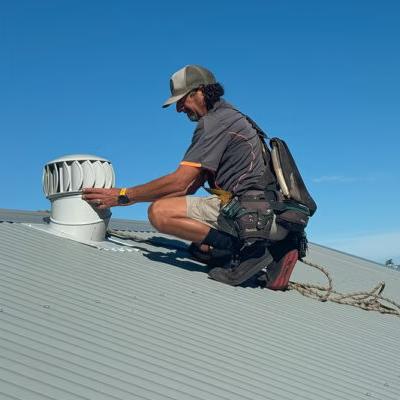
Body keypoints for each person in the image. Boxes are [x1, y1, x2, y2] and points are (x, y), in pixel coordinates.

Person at [82, 65, 298, 287]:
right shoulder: (233, 117)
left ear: (201, 91)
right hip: (269, 216)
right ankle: (275, 249)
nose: (179, 108)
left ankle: (250, 251)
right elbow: (188, 188)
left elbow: (180, 181)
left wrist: (124, 196)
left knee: (159, 213)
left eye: (182, 99)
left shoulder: (214, 122)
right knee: (201, 250)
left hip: (251, 216)